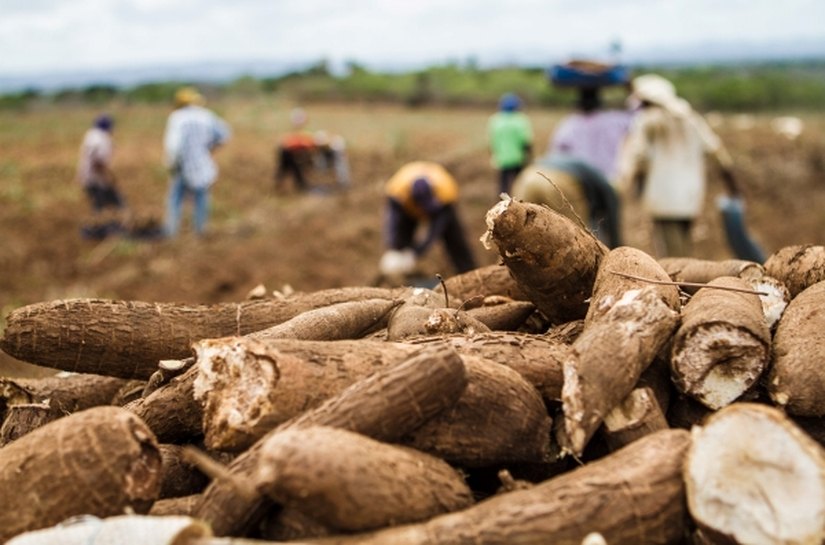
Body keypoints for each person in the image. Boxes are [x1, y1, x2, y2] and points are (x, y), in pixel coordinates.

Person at [616, 74, 742, 258]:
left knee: (671, 256)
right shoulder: (691, 119)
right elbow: (717, 152)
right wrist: (732, 187)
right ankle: (687, 283)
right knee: (684, 248)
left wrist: (628, 185)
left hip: (662, 197)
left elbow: (638, 156)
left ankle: (679, 286)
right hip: (690, 195)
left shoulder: (647, 122)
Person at [381, 161, 477, 277]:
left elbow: (436, 229)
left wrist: (418, 251)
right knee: (400, 240)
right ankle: (402, 279)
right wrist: (394, 247)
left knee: (455, 240)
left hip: (440, 208)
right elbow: (393, 223)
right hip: (407, 208)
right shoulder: (398, 192)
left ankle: (468, 273)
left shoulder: (446, 191)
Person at [163, 86, 231, 237]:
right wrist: (210, 150)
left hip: (182, 164)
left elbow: (173, 146)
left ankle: (171, 231)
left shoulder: (177, 117)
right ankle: (200, 230)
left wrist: (171, 164)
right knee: (201, 197)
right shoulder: (207, 116)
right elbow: (225, 134)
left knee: (175, 198)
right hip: (201, 163)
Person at [274, 107, 351, 193]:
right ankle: (294, 184)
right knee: (290, 161)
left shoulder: (310, 137)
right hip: (294, 152)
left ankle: (292, 184)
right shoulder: (300, 137)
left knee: (290, 162)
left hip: (310, 153)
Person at [76, 114, 128, 238]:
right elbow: (98, 163)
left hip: (87, 177)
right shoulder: (103, 139)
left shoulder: (90, 136)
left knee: (98, 205)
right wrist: (109, 177)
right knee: (117, 203)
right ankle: (115, 229)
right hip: (97, 179)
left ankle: (97, 229)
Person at [487, 93, 533, 197]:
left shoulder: (495, 120)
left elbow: (492, 142)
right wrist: (529, 157)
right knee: (520, 184)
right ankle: (520, 204)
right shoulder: (521, 120)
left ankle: (502, 207)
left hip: (501, 158)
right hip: (518, 158)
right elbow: (526, 141)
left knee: (503, 185)